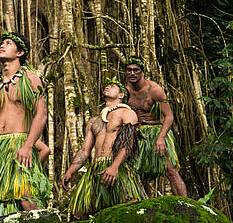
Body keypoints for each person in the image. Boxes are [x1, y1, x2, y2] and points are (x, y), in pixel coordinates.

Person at [0, 32, 52, 219]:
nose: (2, 46)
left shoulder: (31, 79)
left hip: (19, 144)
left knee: (27, 197)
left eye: (8, 43)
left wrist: (28, 145)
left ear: (20, 52)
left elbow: (41, 114)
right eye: (1, 43)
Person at [61, 79, 145, 217]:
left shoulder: (127, 113)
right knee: (81, 213)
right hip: (96, 170)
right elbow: (84, 150)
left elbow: (128, 143)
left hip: (117, 167)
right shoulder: (94, 121)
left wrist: (115, 167)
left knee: (128, 208)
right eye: (107, 85)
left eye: (112, 86)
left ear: (121, 95)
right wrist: (70, 171)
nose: (107, 86)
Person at [124, 56, 187, 196]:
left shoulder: (154, 90)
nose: (132, 73)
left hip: (156, 131)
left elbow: (169, 116)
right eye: (129, 70)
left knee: (170, 170)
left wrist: (161, 137)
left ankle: (186, 204)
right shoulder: (124, 92)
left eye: (136, 70)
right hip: (137, 133)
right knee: (132, 170)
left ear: (142, 72)